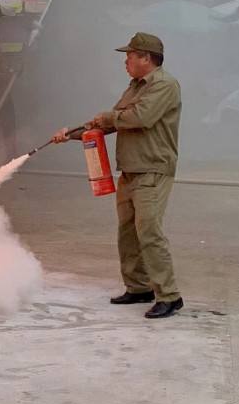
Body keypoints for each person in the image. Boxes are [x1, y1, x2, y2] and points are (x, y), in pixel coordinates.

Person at [52, 32, 183, 319]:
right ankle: (139, 287)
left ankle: (170, 296)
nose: (125, 62)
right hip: (130, 170)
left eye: (130, 56)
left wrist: (107, 117)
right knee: (127, 233)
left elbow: (139, 118)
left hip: (152, 169)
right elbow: (112, 123)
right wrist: (71, 135)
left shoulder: (164, 85)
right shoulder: (135, 87)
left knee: (149, 232)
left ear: (146, 59)